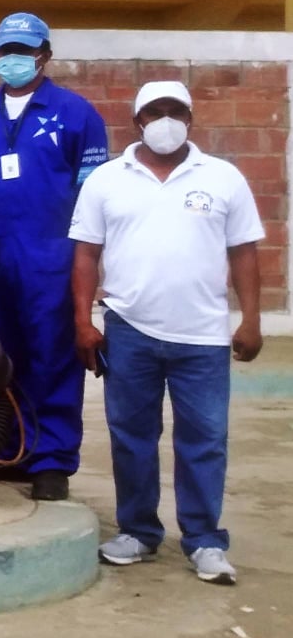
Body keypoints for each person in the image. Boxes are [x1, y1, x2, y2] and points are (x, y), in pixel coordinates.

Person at [71, 80, 264, 586]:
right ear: (137, 121)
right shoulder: (107, 180)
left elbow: (244, 251)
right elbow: (86, 253)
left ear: (191, 119)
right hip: (128, 329)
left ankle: (204, 540)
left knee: (205, 439)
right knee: (131, 437)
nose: (165, 121)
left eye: (175, 111)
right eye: (153, 112)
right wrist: (83, 321)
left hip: (203, 335)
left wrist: (250, 319)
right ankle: (137, 531)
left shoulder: (222, 177)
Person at [0, 13, 111, 502]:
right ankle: (8, 447)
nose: (13, 59)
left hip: (50, 256)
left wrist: (84, 259)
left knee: (52, 356)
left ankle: (51, 459)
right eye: (5, 50)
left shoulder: (76, 113)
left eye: (24, 50)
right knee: (1, 356)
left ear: (45, 55)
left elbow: (92, 195)